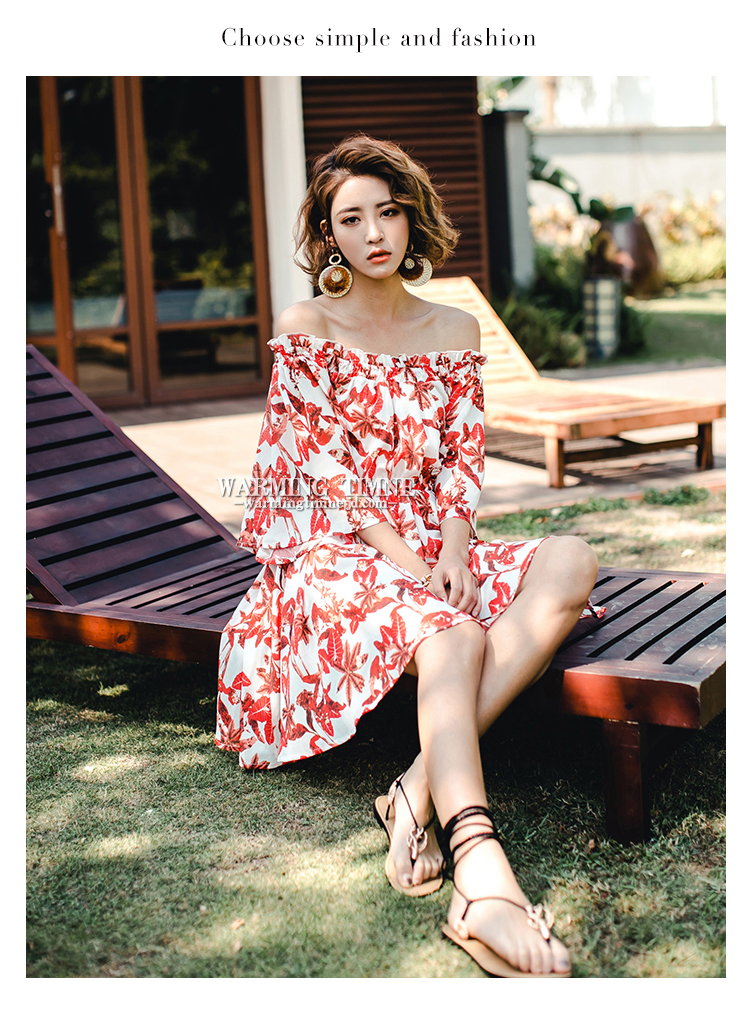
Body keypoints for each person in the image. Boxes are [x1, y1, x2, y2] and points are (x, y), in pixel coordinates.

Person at [216, 134, 601, 978]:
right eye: (350, 219)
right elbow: (329, 476)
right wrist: (412, 566)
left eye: (387, 212)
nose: (373, 233)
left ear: (411, 217)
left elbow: (462, 459)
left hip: (434, 542)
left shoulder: (454, 327)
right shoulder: (308, 326)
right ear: (328, 234)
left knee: (571, 560)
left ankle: (411, 787)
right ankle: (481, 874)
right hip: (336, 551)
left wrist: (454, 549)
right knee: (453, 634)